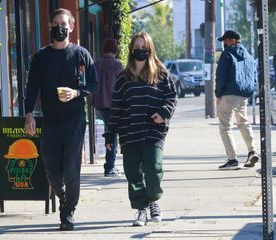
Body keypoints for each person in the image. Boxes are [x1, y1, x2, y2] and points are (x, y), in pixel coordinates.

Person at [24, 8, 98, 231]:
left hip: (75, 119)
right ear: (49, 26)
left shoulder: (81, 54)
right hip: (51, 120)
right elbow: (31, 88)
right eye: (55, 23)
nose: (59, 27)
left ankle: (68, 211)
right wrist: (29, 114)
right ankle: (63, 196)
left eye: (63, 23)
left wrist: (76, 92)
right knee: (51, 168)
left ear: (71, 27)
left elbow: (94, 84)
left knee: (71, 168)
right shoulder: (41, 57)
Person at [103, 32, 176, 226]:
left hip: (154, 130)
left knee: (153, 167)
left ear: (150, 49)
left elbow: (171, 97)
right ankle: (140, 209)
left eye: (144, 47)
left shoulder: (161, 74)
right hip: (129, 132)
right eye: (136, 47)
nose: (140, 50)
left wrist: (163, 113)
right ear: (131, 50)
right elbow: (116, 107)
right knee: (133, 173)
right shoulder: (123, 78)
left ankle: (154, 200)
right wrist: (110, 134)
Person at [215, 30, 259, 170]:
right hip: (243, 95)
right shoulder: (249, 56)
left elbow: (220, 76)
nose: (224, 43)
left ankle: (232, 159)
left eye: (226, 40)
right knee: (243, 122)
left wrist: (218, 94)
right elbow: (254, 77)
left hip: (228, 94)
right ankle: (252, 151)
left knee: (225, 127)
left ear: (234, 40)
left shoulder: (227, 54)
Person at [91, 38, 124, 177]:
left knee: (109, 133)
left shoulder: (96, 64)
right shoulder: (118, 65)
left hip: (99, 103)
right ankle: (109, 167)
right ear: (115, 50)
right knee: (112, 134)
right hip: (114, 104)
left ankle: (110, 165)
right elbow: (122, 85)